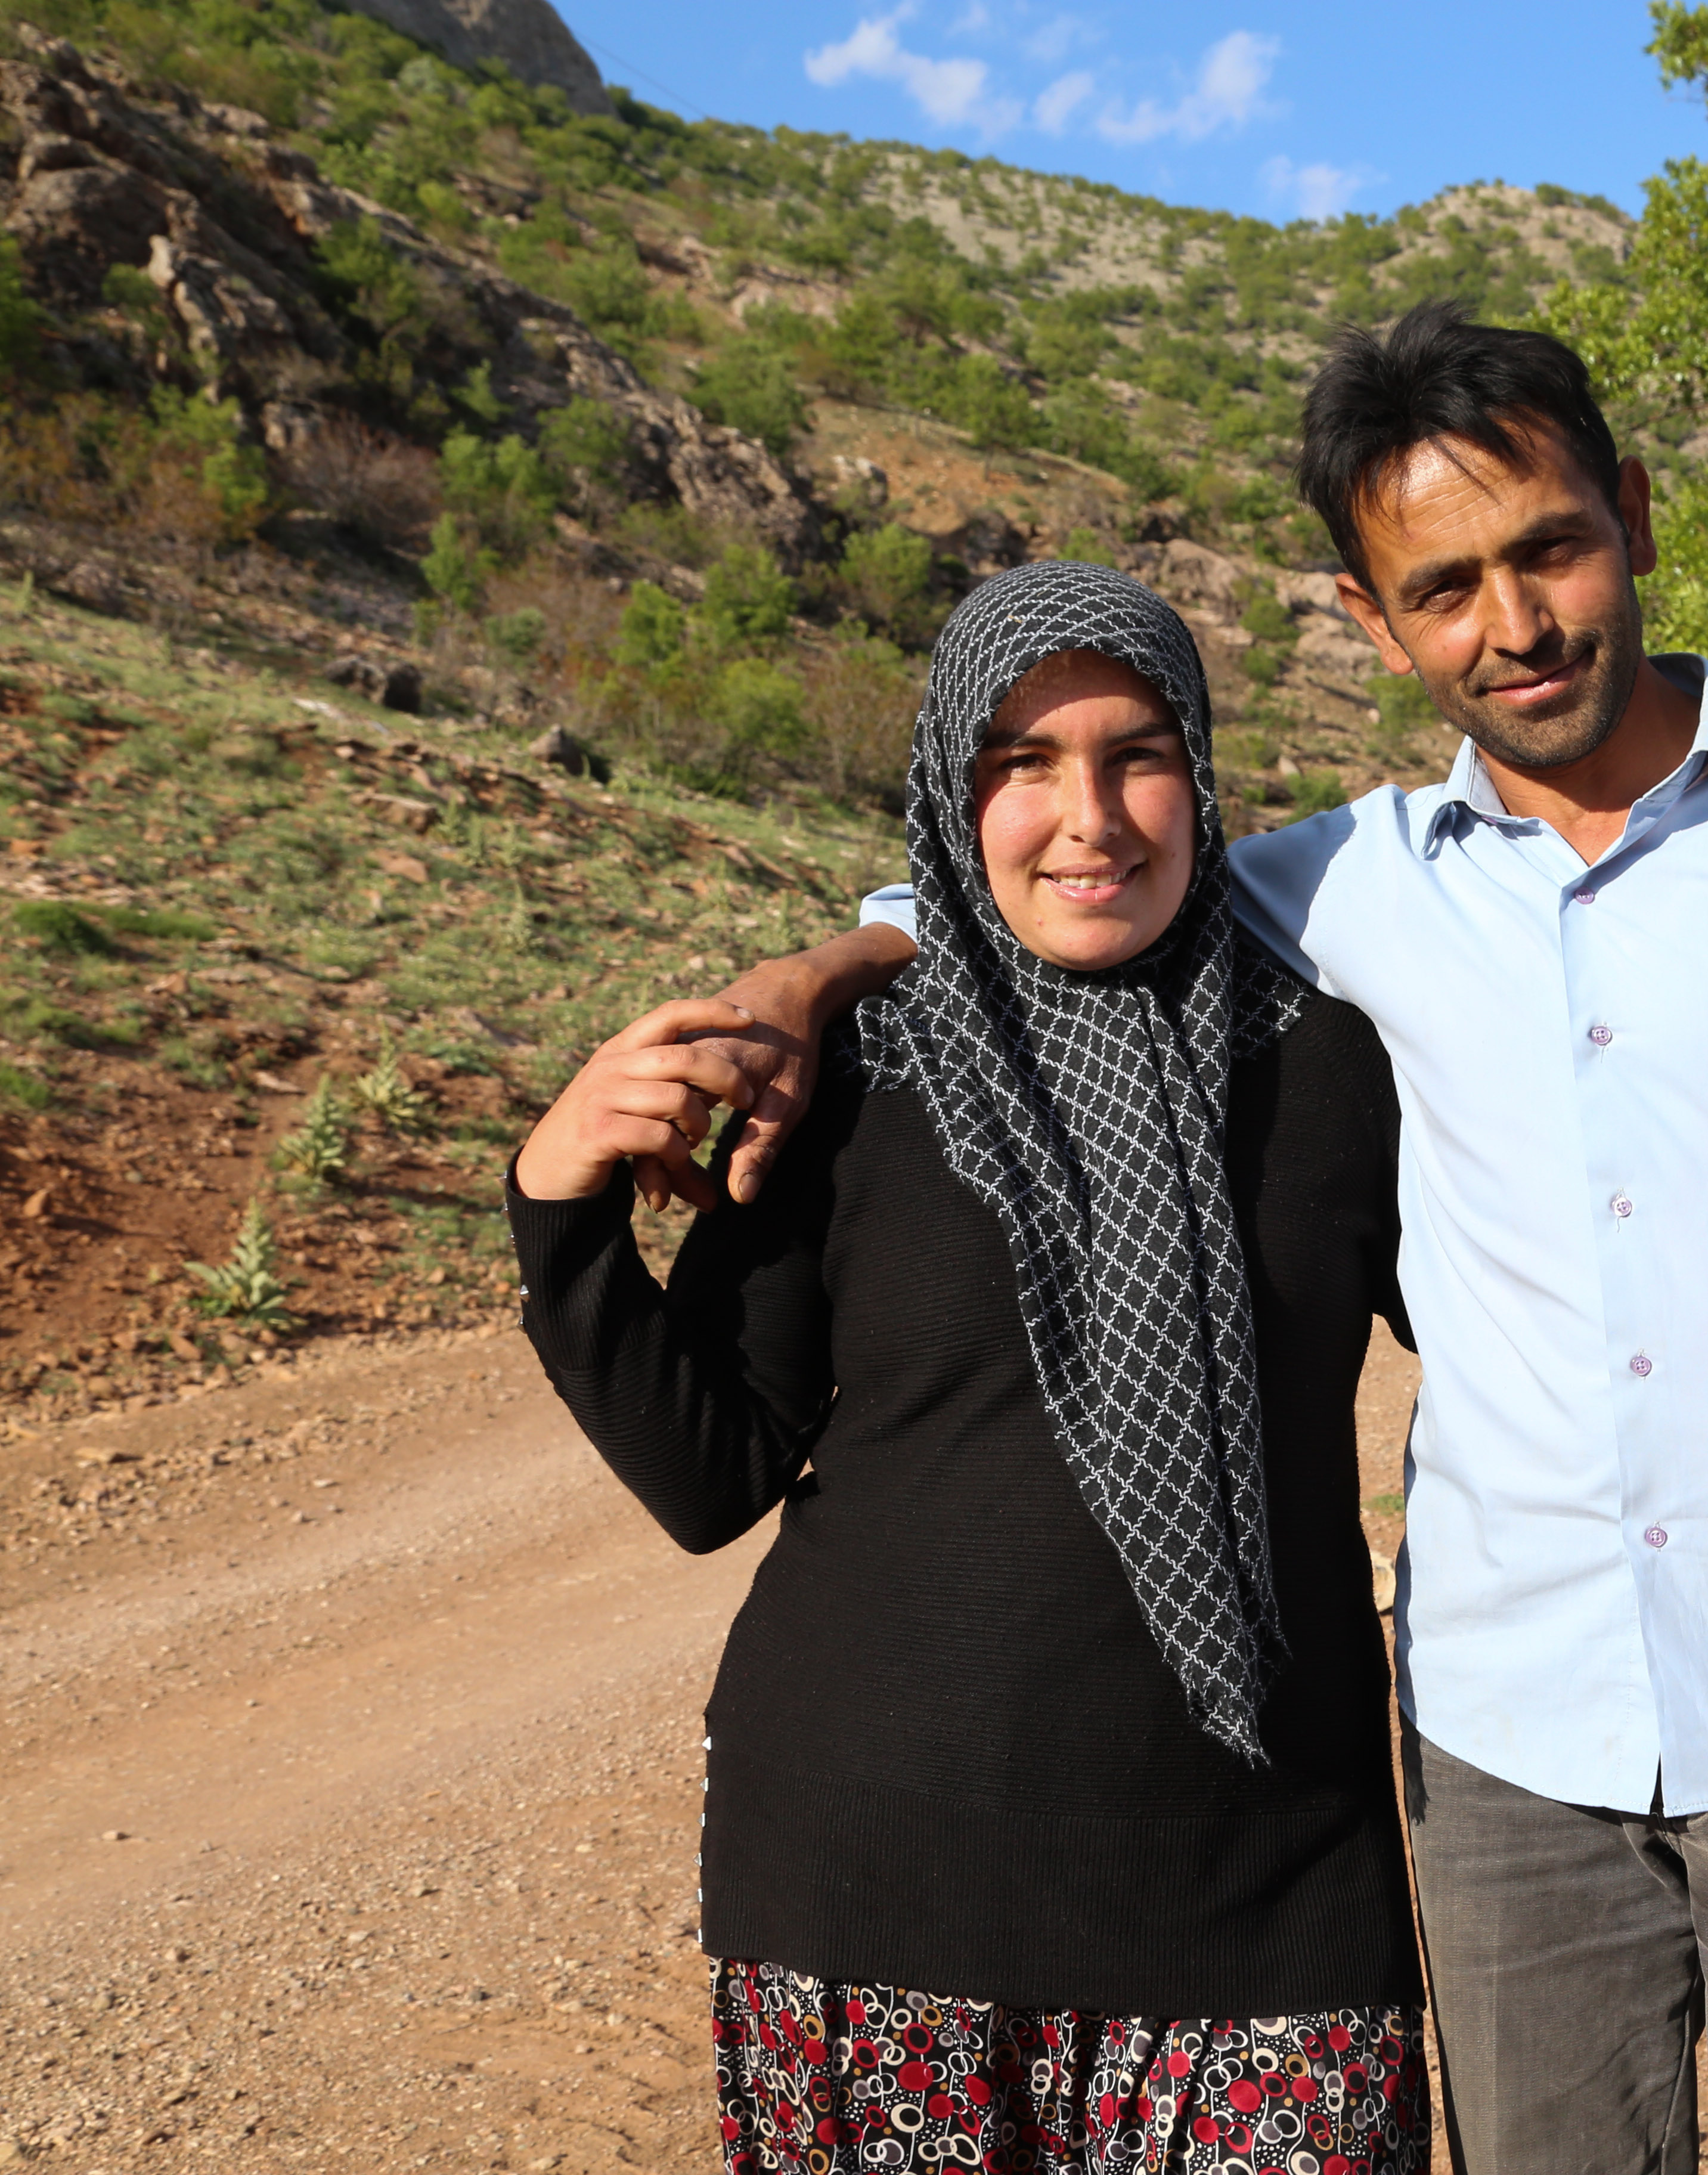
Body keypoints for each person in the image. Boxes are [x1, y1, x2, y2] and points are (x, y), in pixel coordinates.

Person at [705, 307, 1708, 2175]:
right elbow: (1046, 881)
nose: (1517, 622)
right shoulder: (1341, 891)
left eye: (1549, 546)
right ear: (1371, 614)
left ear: (1632, 514)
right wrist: (825, 968)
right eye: (1446, 584)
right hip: (1512, 1761)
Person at [507, 560, 1428, 2175]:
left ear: (1202, 777)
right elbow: (710, 1469)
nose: (1092, 818)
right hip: (877, 1904)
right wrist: (560, 1208)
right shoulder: (855, 1077)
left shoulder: (1340, 1069)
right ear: (952, 792)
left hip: (1268, 1904)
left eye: (1139, 755)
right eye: (1023, 765)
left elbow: (1539, 1361)